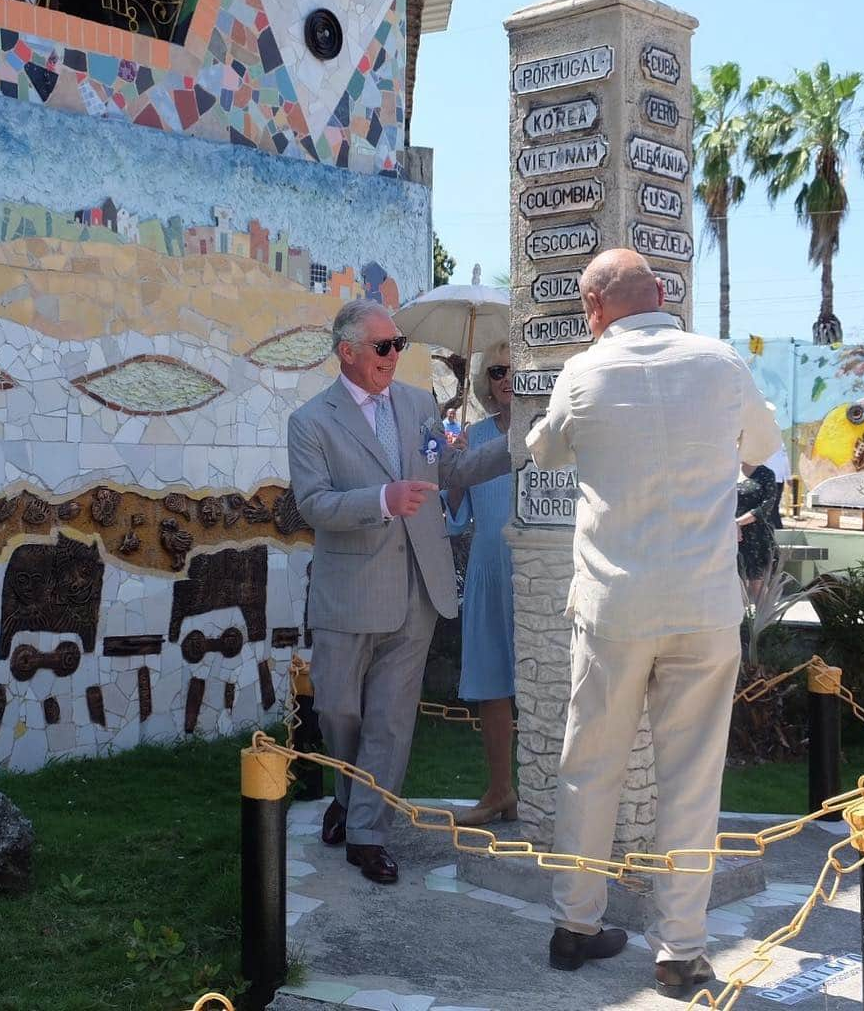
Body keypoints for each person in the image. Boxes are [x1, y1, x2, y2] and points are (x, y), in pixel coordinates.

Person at [526, 249, 779, 996]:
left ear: (598, 308)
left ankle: (574, 924)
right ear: (662, 294)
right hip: (702, 604)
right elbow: (760, 449)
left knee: (589, 768)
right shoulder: (721, 361)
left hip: (614, 606)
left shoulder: (583, 371)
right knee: (693, 781)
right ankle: (680, 949)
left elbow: (544, 452)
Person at [287, 299, 509, 886]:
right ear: (348, 352)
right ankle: (349, 795)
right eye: (383, 347)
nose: (392, 357)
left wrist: (520, 445)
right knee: (339, 712)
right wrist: (382, 501)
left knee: (390, 722)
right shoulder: (310, 421)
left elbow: (452, 470)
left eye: (397, 347)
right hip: (349, 595)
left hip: (418, 590)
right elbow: (312, 504)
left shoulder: (417, 408)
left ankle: (366, 833)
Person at [443, 342, 516, 826]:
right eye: (496, 371)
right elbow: (455, 520)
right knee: (493, 686)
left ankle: (549, 793)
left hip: (541, 573)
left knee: (549, 686)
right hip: (490, 570)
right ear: (486, 382)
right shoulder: (475, 436)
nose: (507, 378)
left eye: (515, 369)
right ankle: (499, 791)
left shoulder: (554, 434)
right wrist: (455, 469)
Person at [736, 462, 780, 600]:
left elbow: (766, 506)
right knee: (736, 587)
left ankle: (762, 621)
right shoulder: (728, 471)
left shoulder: (766, 474)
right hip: (731, 536)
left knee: (757, 588)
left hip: (757, 537)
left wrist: (737, 523)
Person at [762, 445, 790, 530]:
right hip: (766, 478)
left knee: (774, 506)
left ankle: (777, 529)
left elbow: (785, 460)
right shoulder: (764, 441)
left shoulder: (781, 444)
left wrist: (788, 477)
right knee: (769, 506)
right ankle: (775, 528)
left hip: (778, 479)